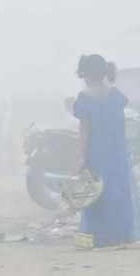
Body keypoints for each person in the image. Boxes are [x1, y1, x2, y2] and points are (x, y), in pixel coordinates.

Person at [73, 54, 135, 248]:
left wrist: (81, 157)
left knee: (96, 194)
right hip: (117, 153)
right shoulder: (116, 96)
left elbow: (85, 132)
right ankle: (122, 235)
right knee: (119, 193)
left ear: (87, 75)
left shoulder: (84, 98)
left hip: (97, 154)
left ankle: (100, 237)